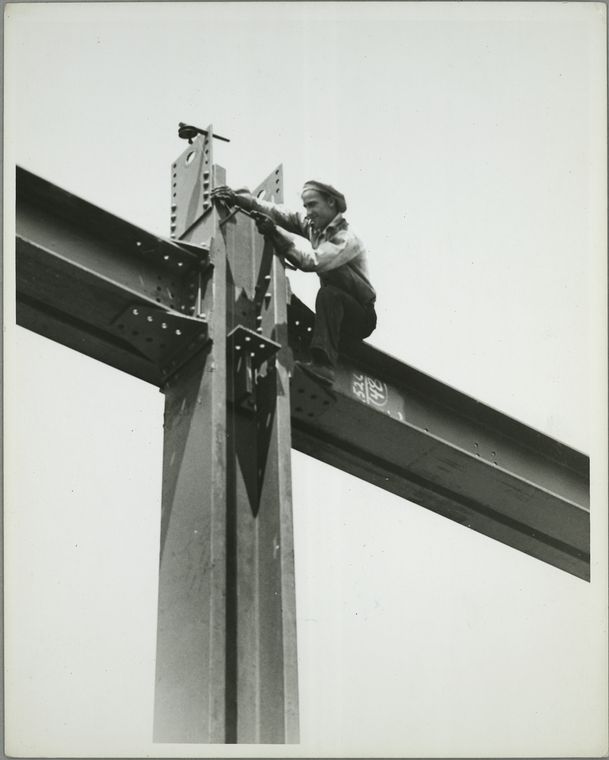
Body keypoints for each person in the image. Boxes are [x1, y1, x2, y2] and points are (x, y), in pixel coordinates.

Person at [211, 180, 376, 385]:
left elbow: (311, 260)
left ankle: (324, 366)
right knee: (293, 306)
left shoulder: (347, 239)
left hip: (359, 317)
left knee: (329, 294)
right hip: (336, 312)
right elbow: (281, 214)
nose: (308, 211)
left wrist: (275, 234)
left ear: (331, 202)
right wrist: (242, 200)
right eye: (306, 206)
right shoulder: (314, 228)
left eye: (312, 204)